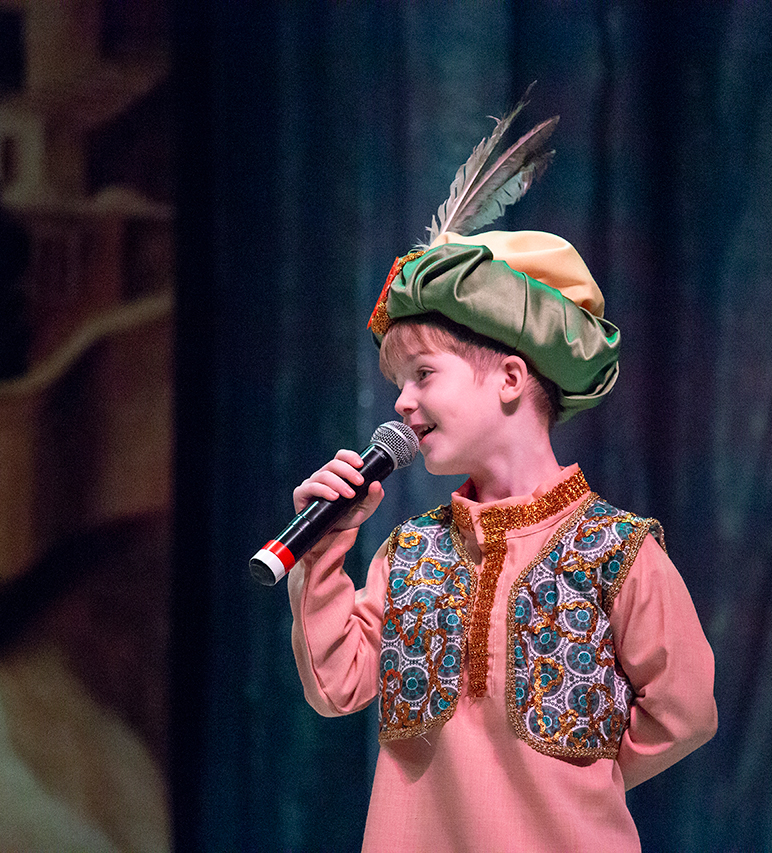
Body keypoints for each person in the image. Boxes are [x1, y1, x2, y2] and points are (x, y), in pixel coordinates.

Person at [285, 105, 717, 852]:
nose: (402, 401)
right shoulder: (410, 554)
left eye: (424, 374)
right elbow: (337, 685)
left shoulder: (614, 552)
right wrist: (323, 552)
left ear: (511, 378)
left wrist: (576, 782)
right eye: (397, 382)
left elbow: (684, 710)